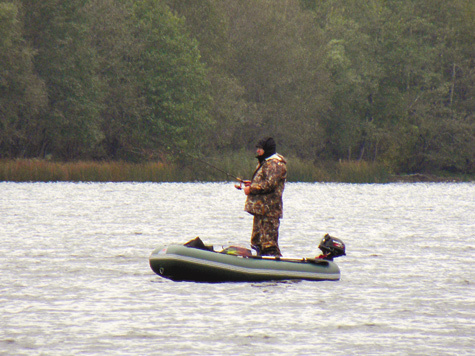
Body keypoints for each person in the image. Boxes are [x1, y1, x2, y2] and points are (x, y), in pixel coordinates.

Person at [236, 137, 287, 256]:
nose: (258, 151)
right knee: (257, 242)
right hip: (261, 210)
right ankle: (259, 264)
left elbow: (269, 185)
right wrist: (251, 183)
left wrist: (251, 189)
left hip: (269, 211)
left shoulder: (275, 164)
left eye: (260, 148)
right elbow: (264, 182)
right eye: (258, 148)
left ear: (267, 149)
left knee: (268, 244)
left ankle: (275, 267)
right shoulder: (265, 163)